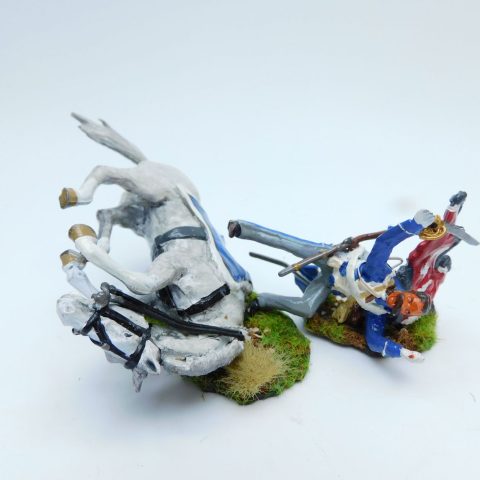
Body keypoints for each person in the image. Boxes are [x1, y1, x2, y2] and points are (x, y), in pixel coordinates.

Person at [228, 210, 437, 361]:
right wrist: (414, 225)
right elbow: (384, 242)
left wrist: (402, 352)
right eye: (411, 300)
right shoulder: (380, 273)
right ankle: (242, 228)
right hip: (332, 257)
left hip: (331, 281)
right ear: (410, 293)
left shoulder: (379, 312)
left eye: (408, 309)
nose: (405, 304)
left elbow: (374, 341)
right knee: (289, 244)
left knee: (306, 308)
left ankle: (263, 300)